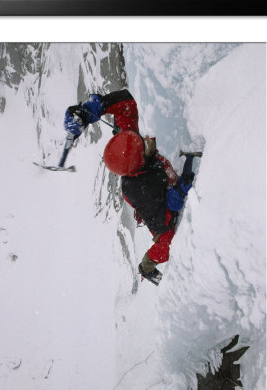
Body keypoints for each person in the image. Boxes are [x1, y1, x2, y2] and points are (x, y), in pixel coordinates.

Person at [63, 89, 202, 285]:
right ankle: (146, 266)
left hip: (154, 185)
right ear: (140, 161)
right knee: (166, 243)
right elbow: (167, 221)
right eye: (143, 146)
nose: (145, 140)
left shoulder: (131, 147)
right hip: (158, 214)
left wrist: (94, 108)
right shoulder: (143, 189)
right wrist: (180, 189)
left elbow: (126, 106)